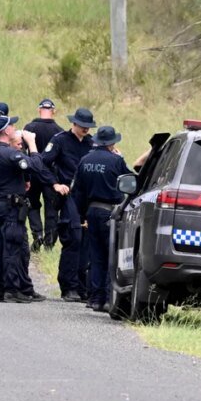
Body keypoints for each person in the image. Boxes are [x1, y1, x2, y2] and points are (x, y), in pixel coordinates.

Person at [0, 109, 61, 303]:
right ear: (7, 131)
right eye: (13, 126)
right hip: (10, 207)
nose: (16, 128)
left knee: (0, 247)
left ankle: (6, 288)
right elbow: (36, 165)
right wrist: (32, 144)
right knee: (13, 247)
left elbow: (20, 172)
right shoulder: (8, 153)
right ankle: (11, 289)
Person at [72, 126, 133, 312]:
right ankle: (108, 299)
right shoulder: (116, 161)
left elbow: (78, 191)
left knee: (96, 256)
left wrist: (83, 214)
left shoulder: (85, 160)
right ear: (112, 143)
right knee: (111, 257)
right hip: (110, 214)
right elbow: (131, 184)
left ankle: (95, 299)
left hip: (91, 212)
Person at [42, 107, 96, 302]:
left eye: (88, 127)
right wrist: (54, 184)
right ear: (74, 124)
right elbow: (42, 162)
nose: (85, 130)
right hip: (69, 196)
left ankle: (83, 287)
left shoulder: (92, 143)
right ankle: (69, 286)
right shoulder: (59, 140)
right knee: (73, 237)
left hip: (88, 198)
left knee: (87, 240)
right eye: (83, 126)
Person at [24, 98, 65, 252]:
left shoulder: (29, 127)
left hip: (33, 172)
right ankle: (49, 243)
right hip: (51, 175)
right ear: (53, 111)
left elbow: (22, 150)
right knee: (51, 209)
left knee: (32, 204)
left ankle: (37, 234)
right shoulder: (60, 131)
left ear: (39, 110)